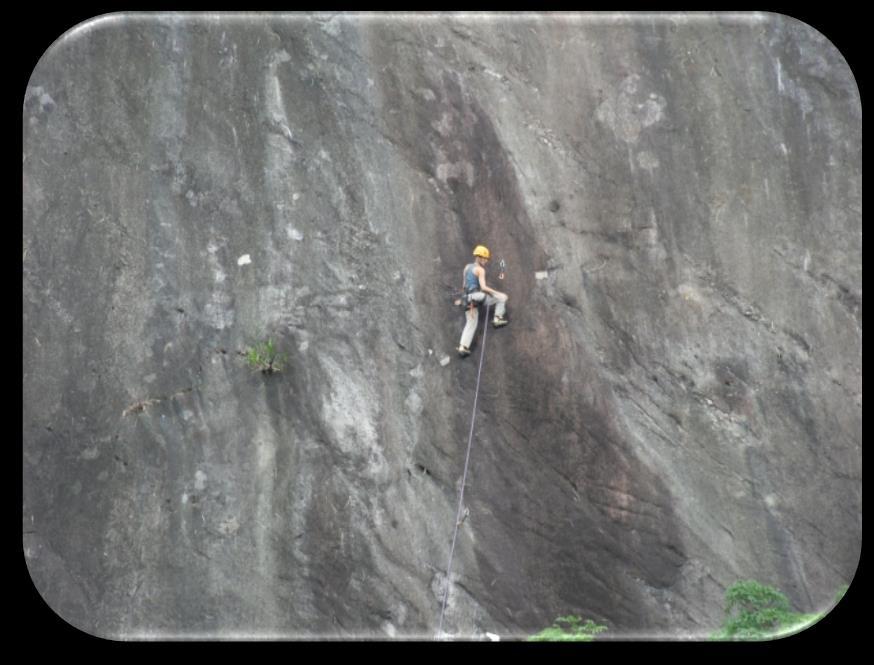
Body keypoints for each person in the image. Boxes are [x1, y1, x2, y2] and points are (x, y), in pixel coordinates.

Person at [457, 245, 508, 357]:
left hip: (467, 298)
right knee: (502, 298)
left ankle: (463, 347)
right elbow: (484, 287)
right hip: (477, 296)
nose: (486, 261)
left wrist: (463, 299)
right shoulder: (480, 270)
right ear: (479, 258)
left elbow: (464, 285)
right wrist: (496, 293)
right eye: (485, 258)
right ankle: (497, 318)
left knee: (471, 323)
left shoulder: (467, 267)